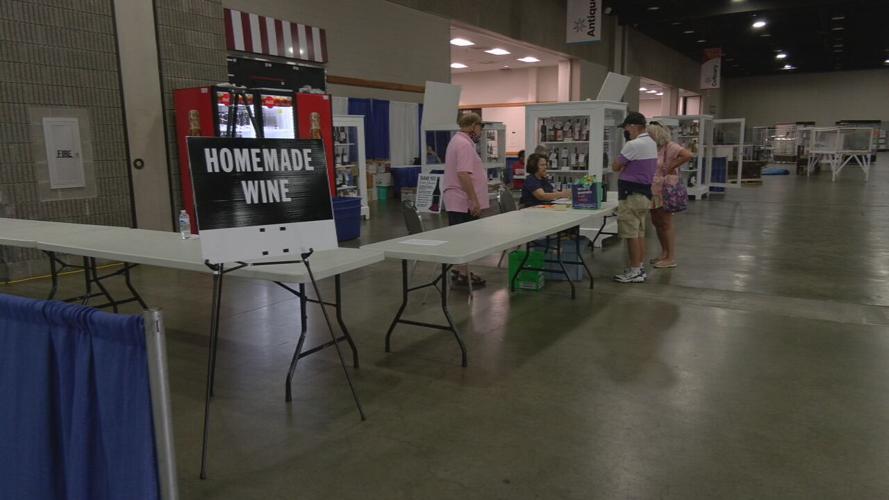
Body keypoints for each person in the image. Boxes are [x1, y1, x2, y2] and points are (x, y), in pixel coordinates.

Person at [611, 111, 658, 284]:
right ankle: (638, 267)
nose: (626, 131)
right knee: (638, 233)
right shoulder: (651, 143)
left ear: (633, 126)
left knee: (631, 234)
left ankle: (635, 270)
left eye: (626, 128)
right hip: (644, 195)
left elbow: (616, 166)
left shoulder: (633, 145)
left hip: (631, 196)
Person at [443, 112, 489, 286]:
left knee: (462, 238)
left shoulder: (458, 141)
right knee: (464, 239)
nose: (481, 131)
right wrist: (474, 200)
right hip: (462, 201)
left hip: (459, 199)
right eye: (480, 127)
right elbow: (463, 174)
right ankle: (462, 273)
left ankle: (461, 270)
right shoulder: (464, 144)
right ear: (473, 126)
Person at [647, 122, 693, 269]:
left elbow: (688, 154)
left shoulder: (670, 146)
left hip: (664, 190)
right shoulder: (654, 148)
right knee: (657, 222)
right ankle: (664, 252)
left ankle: (671, 257)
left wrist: (672, 166)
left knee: (666, 223)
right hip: (653, 190)